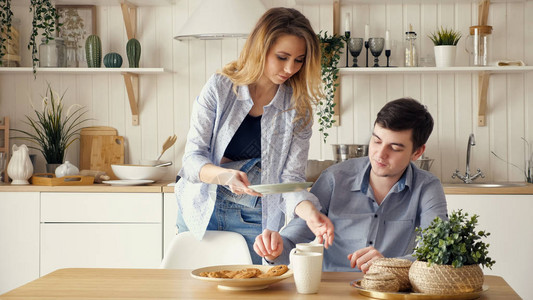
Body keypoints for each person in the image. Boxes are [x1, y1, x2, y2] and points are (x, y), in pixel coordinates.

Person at [175, 7, 334, 264]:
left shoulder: (298, 109)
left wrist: (310, 214)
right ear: (261, 48)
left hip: (253, 217)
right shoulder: (220, 87)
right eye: (282, 57)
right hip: (202, 208)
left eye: (299, 59)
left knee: (251, 287)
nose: (290, 68)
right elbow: (192, 160)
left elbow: (289, 182)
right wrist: (225, 175)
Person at [253, 98, 448, 271]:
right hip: (333, 292)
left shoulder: (427, 187)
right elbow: (294, 237)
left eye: (395, 148)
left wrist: (392, 266)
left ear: (417, 152)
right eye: (376, 141)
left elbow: (437, 253)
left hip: (390, 290)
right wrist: (274, 249)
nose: (380, 154)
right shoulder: (335, 178)